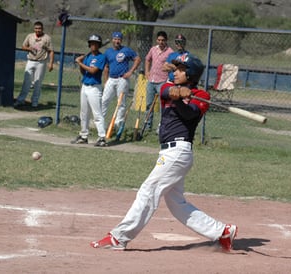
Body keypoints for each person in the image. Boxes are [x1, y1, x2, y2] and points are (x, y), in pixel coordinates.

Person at [90, 54, 238, 252]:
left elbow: (190, 115)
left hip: (179, 152)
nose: (175, 72)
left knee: (148, 191)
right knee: (177, 204)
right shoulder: (170, 87)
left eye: (180, 69)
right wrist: (177, 92)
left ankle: (119, 237)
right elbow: (165, 90)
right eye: (174, 69)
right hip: (168, 153)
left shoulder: (202, 96)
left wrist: (181, 99)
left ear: (191, 74)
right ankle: (222, 232)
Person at [71, 34, 107, 147]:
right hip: (85, 86)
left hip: (95, 88)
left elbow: (93, 71)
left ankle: (102, 137)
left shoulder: (101, 57)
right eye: (91, 43)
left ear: (99, 45)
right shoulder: (87, 57)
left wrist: (80, 62)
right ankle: (84, 135)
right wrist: (81, 64)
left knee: (97, 114)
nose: (93, 45)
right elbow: (84, 73)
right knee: (84, 113)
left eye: (96, 43)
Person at [102, 31, 141, 130]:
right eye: (115, 39)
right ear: (112, 40)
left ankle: (116, 124)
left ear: (121, 40)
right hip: (111, 79)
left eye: (119, 39)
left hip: (122, 79)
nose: (117, 41)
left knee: (121, 103)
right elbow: (106, 67)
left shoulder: (126, 50)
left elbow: (137, 59)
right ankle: (100, 122)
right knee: (104, 100)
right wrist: (105, 81)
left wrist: (130, 71)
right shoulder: (108, 52)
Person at [14, 21, 54, 108]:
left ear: (42, 29)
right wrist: (29, 48)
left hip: (41, 62)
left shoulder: (47, 38)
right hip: (30, 60)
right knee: (27, 81)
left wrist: (51, 63)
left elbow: (51, 51)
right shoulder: (30, 36)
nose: (38, 30)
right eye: (36, 28)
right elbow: (23, 46)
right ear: (34, 29)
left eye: (39, 28)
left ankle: (34, 101)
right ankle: (21, 100)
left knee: (38, 82)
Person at [144, 31, 174, 131]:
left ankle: (161, 126)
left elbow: (173, 65)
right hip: (151, 80)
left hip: (162, 81)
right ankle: (147, 125)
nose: (161, 42)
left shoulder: (170, 52)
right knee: (149, 104)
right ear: (157, 40)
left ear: (166, 40)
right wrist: (147, 72)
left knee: (163, 106)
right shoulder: (153, 49)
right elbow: (147, 59)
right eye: (159, 40)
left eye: (163, 40)